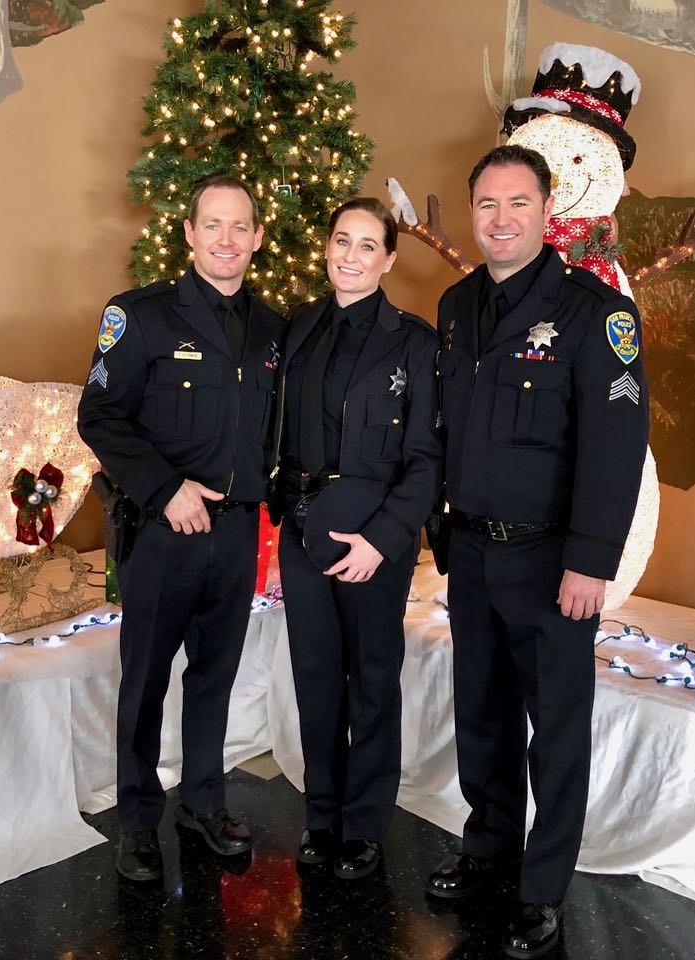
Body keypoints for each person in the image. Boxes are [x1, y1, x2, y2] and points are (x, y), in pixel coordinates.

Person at [425, 145, 648, 959]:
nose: (500, 219)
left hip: (555, 565)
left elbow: (616, 446)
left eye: (517, 203)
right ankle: (489, 852)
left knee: (554, 729)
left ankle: (543, 885)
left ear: (546, 211)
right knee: (480, 717)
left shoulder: (595, 313)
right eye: (487, 204)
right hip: (474, 556)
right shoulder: (455, 307)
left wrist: (593, 560)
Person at [77, 174, 285, 882]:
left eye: (240, 227)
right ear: (190, 232)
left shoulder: (273, 330)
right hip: (164, 533)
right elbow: (98, 416)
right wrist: (165, 489)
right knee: (144, 683)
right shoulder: (140, 317)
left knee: (216, 678)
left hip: (236, 534)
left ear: (258, 237)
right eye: (213, 225)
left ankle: (202, 803)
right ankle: (137, 821)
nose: (226, 240)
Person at [270, 198, 441, 880]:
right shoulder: (301, 325)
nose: (351, 255)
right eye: (343, 240)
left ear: (389, 259)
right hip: (303, 527)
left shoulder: (415, 341)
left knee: (371, 681)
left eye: (368, 245)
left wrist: (385, 539)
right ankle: (322, 815)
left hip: (374, 538)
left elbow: (427, 457)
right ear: (328, 246)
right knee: (315, 677)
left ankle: (364, 824)